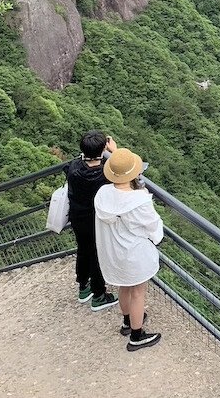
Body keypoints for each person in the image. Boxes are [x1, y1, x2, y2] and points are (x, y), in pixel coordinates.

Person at [95, 146, 163, 351]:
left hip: (113, 252)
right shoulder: (139, 201)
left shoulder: (102, 194)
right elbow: (153, 227)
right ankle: (136, 335)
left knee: (123, 286)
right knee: (138, 292)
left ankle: (127, 321)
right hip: (133, 253)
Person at [65, 131, 119, 311]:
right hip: (97, 220)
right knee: (98, 255)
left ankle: (83, 287)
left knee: (83, 249)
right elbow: (122, 173)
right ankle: (99, 296)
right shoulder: (105, 173)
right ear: (104, 149)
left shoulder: (73, 167)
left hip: (77, 217)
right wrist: (115, 152)